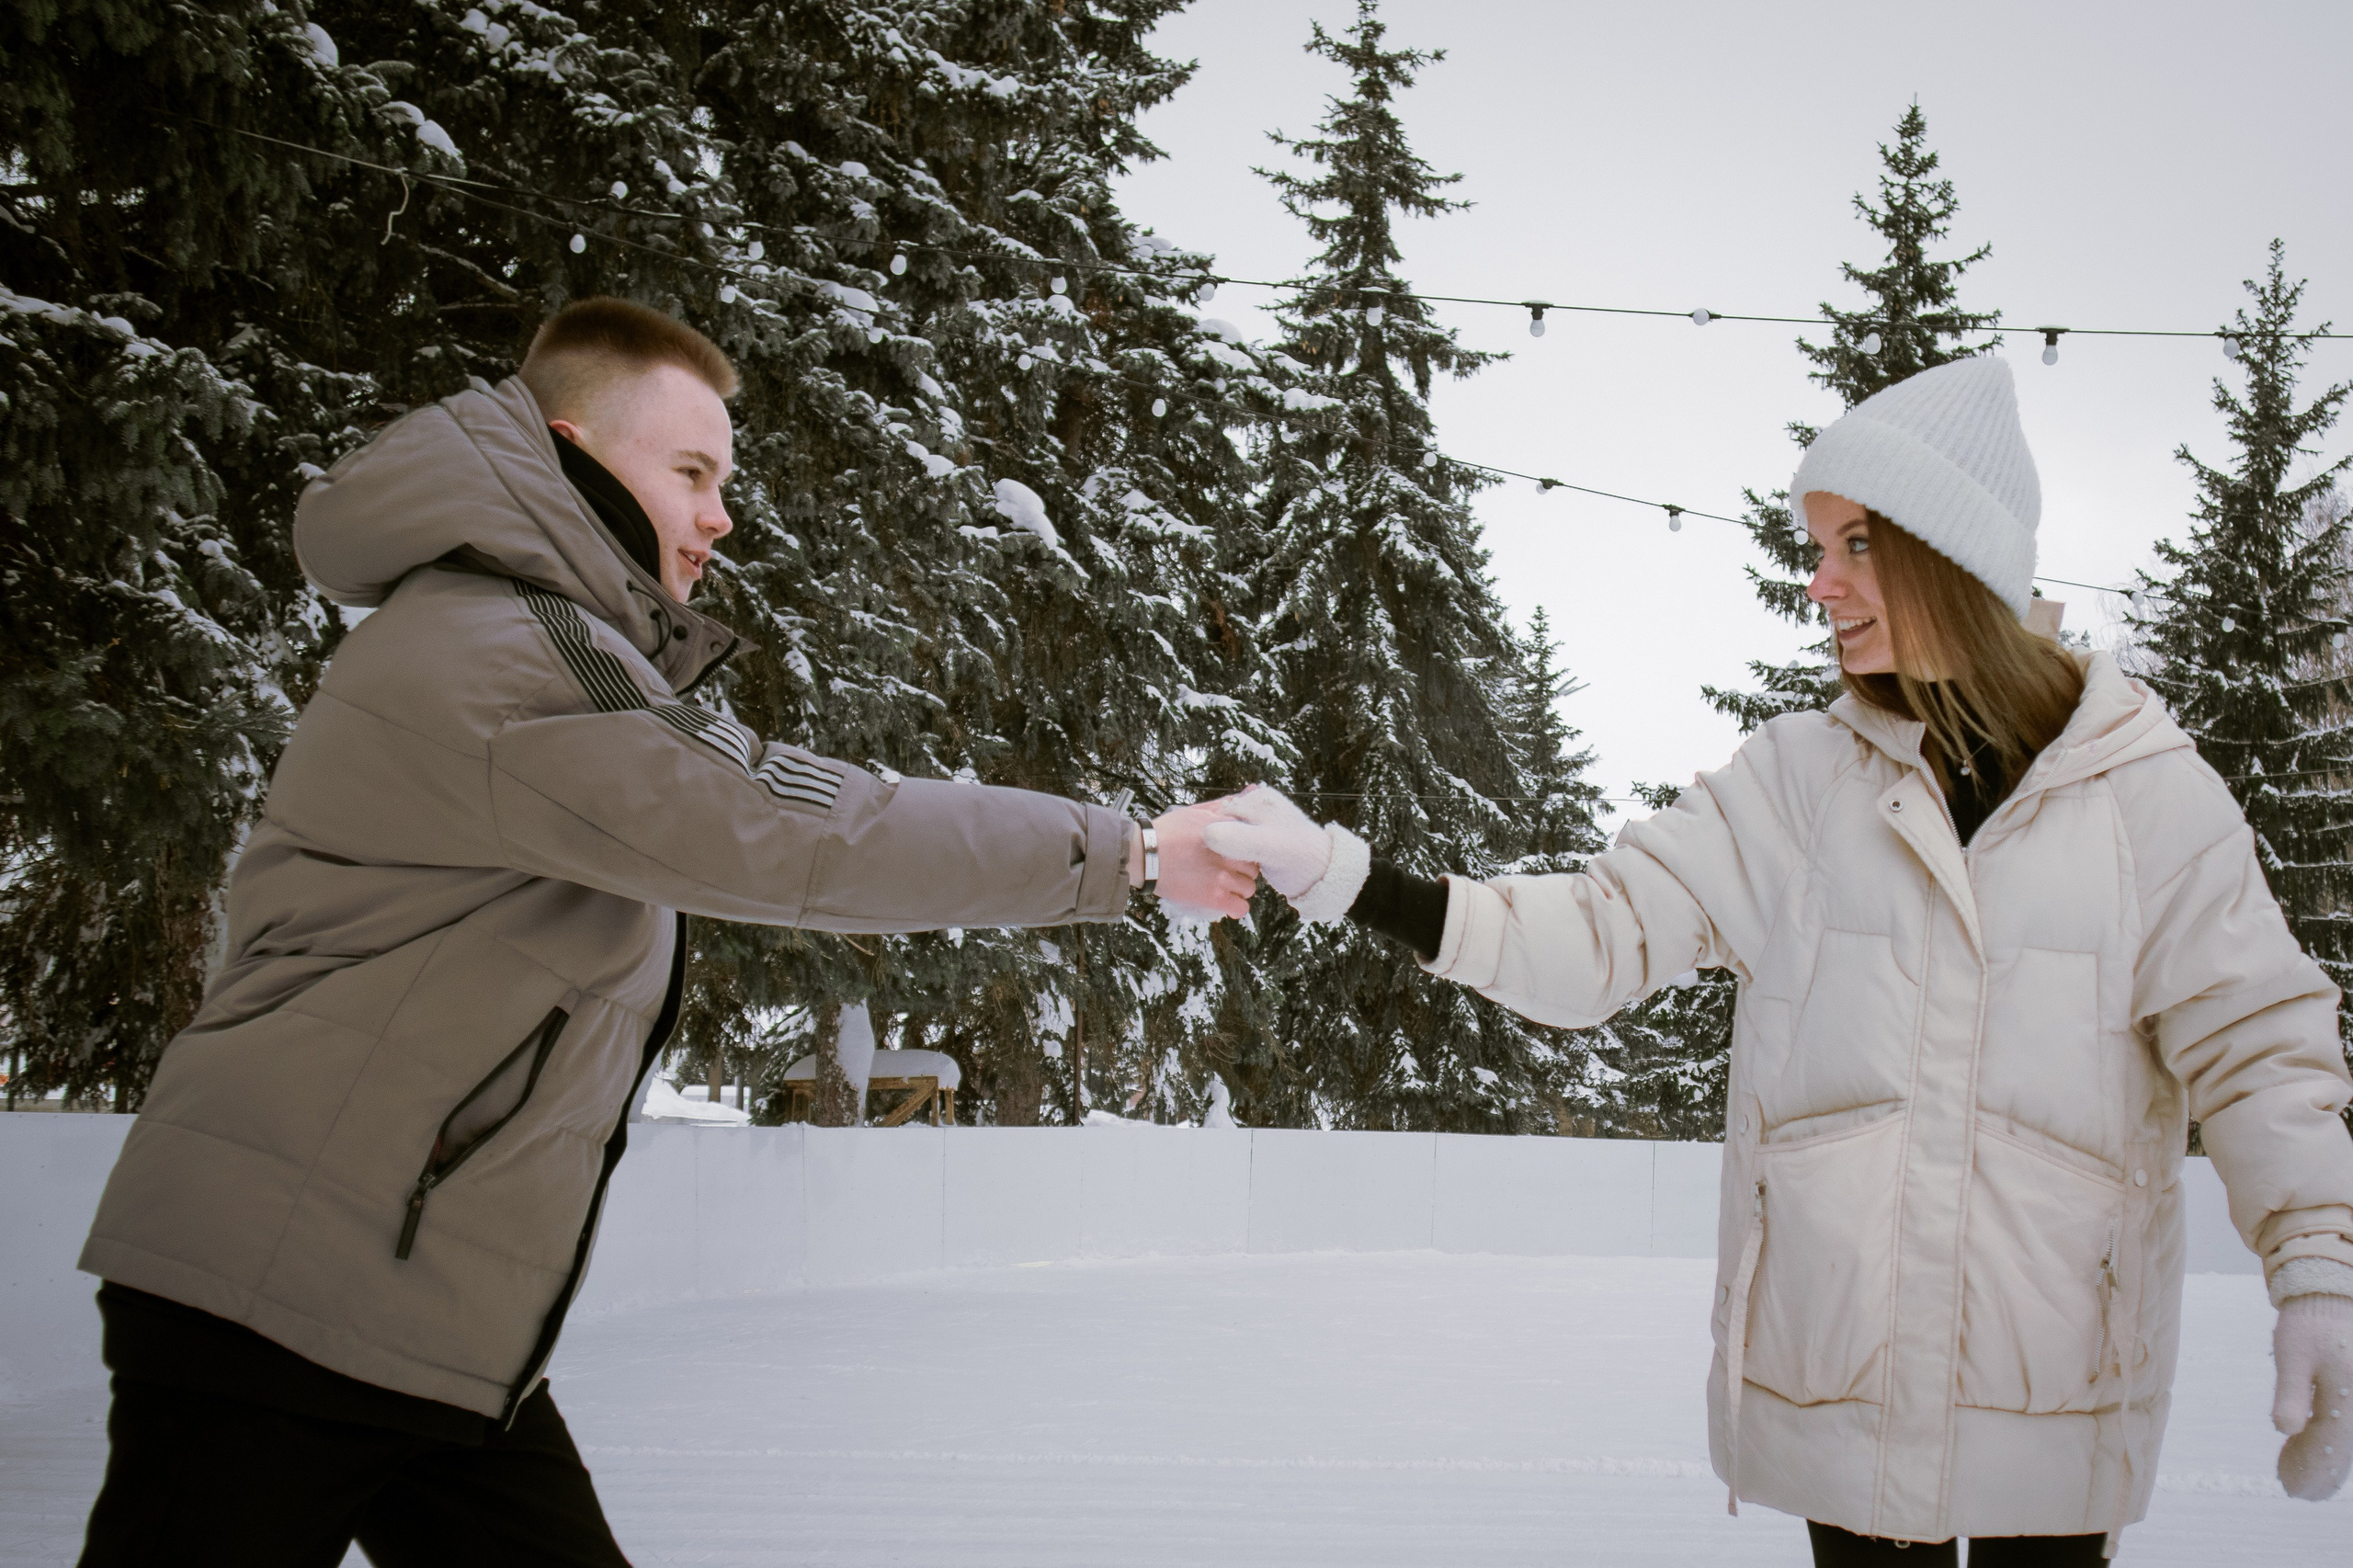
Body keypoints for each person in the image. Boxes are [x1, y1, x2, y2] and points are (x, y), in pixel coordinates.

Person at [72, 298, 1256, 1566]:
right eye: (692, 471)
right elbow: (797, 825)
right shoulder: (506, 652)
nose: (719, 515)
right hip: (282, 1301)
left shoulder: (531, 635)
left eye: (723, 479)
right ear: (575, 448)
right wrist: (1121, 852)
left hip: (416, 1325)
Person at [1204, 356, 2353, 1562]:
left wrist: (2318, 1270)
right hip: (1837, 1396)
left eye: (1855, 545)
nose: (1821, 583)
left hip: (2055, 1400)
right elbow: (1593, 938)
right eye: (1819, 547)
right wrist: (1345, 875)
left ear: (1948, 554)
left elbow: (2261, 1048)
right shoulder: (1799, 787)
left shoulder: (2151, 799)